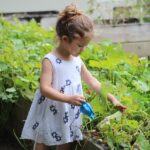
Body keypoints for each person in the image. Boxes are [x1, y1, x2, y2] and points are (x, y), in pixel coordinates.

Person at [21, 4, 127, 150]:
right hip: (51, 109)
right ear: (65, 39)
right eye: (80, 45)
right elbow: (44, 89)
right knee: (42, 142)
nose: (83, 50)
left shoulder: (77, 61)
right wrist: (69, 99)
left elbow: (93, 83)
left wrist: (112, 98)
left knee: (66, 141)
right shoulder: (50, 61)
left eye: (85, 46)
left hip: (68, 111)